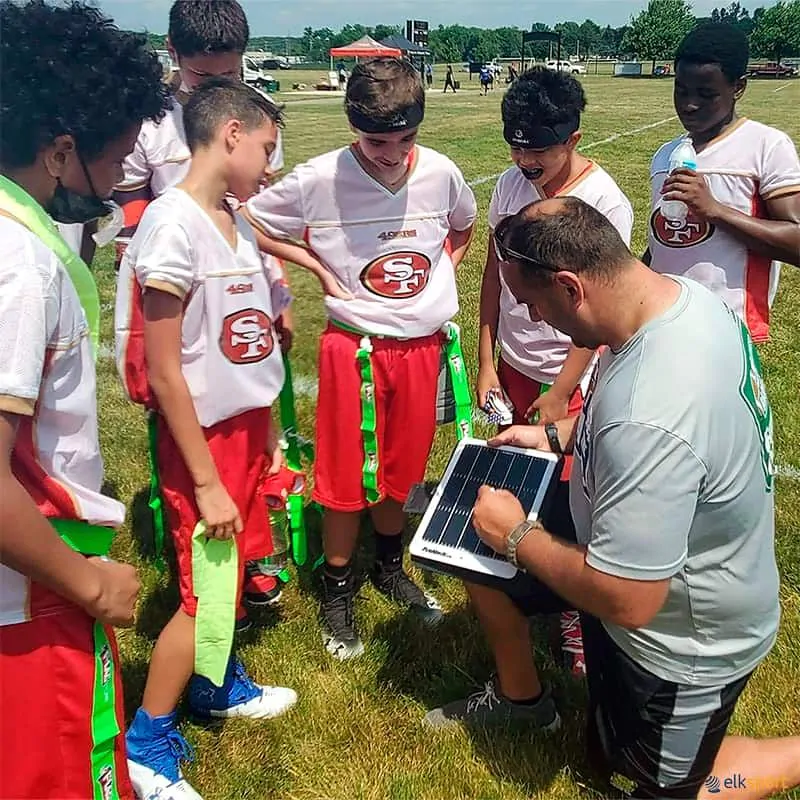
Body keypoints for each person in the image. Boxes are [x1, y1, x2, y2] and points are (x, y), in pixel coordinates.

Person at [427, 196, 800, 800]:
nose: (535, 317)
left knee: (661, 789)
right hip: (638, 554)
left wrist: (517, 536)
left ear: (570, 287)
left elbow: (629, 599)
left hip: (684, 640)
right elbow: (643, 424)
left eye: (533, 303)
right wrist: (555, 434)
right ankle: (525, 701)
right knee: (474, 540)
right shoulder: (683, 299)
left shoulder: (649, 413)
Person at [245, 56, 477, 660]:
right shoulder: (319, 178)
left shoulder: (442, 172)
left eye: (406, 139)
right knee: (345, 474)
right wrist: (316, 266)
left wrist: (439, 276)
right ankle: (337, 587)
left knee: (403, 466)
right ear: (354, 126)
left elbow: (462, 227)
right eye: (377, 142)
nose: (393, 154)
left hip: (422, 348)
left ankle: (388, 567)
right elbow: (250, 219)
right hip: (356, 349)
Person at [0, 2, 170, 797]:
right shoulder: (20, 269)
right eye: (120, 159)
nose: (126, 179)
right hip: (27, 598)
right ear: (62, 152)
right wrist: (87, 581)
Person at [115, 78, 299, 800]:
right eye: (267, 149)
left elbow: (253, 343)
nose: (272, 166)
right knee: (205, 594)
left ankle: (215, 685)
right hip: (204, 442)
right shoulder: (172, 225)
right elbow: (165, 371)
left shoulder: (234, 219)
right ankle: (147, 741)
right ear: (231, 134)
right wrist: (206, 480)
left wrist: (270, 431)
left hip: (245, 433)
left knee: (234, 568)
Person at [113, 0, 289, 626]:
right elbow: (131, 206)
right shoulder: (153, 123)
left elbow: (256, 207)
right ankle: (205, 584)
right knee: (197, 423)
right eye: (203, 75)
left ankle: (250, 557)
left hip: (235, 282)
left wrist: (272, 285)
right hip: (182, 291)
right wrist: (159, 264)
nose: (217, 85)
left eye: (228, 73)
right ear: (174, 53)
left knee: (250, 429)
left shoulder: (252, 115)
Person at [476, 67, 633, 678]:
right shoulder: (510, 185)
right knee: (516, 473)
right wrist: (487, 360)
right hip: (515, 365)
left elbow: (600, 310)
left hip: (571, 376)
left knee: (574, 497)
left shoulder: (603, 203)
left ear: (573, 138)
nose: (524, 161)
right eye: (514, 147)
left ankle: (573, 611)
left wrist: (563, 390)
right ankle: (518, 576)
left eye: (537, 150)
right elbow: (493, 273)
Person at [646, 21, 800, 344]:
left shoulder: (766, 146)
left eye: (706, 94)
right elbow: (663, 241)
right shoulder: (665, 155)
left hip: (726, 330)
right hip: (663, 322)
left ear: (738, 87)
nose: (689, 105)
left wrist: (714, 210)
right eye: (681, 90)